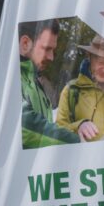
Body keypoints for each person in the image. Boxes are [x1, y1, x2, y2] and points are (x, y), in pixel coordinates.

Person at [19, 19, 80, 148]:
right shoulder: (12, 85)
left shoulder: (36, 84)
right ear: (25, 43)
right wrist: (83, 144)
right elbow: (32, 129)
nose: (51, 57)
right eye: (47, 49)